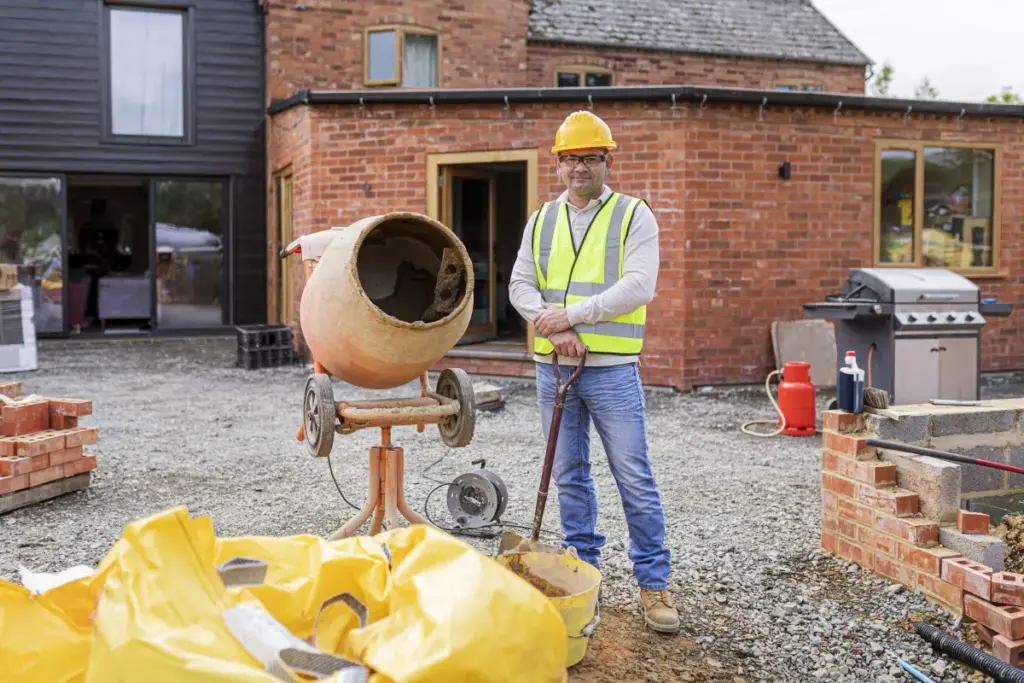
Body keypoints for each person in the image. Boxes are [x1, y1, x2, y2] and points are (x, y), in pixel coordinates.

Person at [508, 111, 678, 633]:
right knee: (570, 476)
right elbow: (520, 285)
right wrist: (553, 328)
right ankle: (584, 578)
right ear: (558, 164)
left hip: (611, 370)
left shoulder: (633, 215)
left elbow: (639, 285)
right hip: (552, 367)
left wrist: (572, 316)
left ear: (608, 160)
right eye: (570, 158)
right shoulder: (540, 219)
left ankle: (654, 585)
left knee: (634, 477)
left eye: (590, 157)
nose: (579, 166)